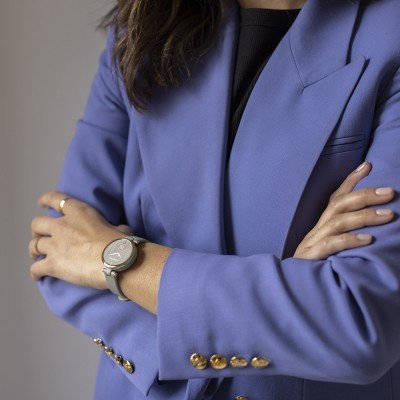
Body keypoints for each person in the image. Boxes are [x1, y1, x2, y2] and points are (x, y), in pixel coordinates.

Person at [28, 0, 400, 399]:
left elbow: (358, 320)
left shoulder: (389, 32)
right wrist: (286, 301)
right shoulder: (144, 27)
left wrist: (116, 260)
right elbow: (59, 250)